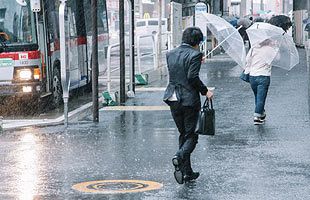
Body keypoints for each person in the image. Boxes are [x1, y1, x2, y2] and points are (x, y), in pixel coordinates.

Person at [163, 27, 213, 184]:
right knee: (191, 136)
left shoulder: (170, 53)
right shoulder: (195, 54)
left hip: (173, 97)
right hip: (189, 100)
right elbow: (192, 77)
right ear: (197, 42)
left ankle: (186, 172)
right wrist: (205, 91)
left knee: (183, 134)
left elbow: (179, 69)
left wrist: (197, 60)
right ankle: (179, 156)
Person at [244, 39, 279, 125]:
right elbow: (278, 58)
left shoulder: (254, 47)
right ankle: (257, 116)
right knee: (261, 97)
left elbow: (247, 59)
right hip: (263, 76)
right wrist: (276, 47)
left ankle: (261, 113)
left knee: (257, 96)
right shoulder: (270, 49)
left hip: (252, 76)